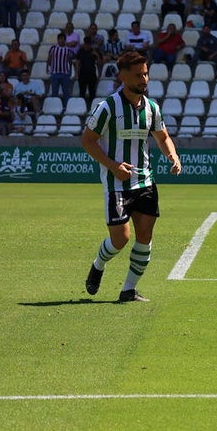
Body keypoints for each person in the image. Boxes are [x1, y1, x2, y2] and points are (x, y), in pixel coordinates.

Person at [82, 51, 183, 303]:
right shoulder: (107, 107)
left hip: (145, 182)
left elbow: (162, 137)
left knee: (145, 237)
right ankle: (98, 264)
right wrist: (113, 165)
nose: (144, 79)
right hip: (117, 183)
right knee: (120, 238)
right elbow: (88, 141)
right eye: (138, 75)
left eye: (146, 73)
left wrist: (173, 156)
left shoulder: (152, 108)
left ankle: (128, 289)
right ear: (123, 76)